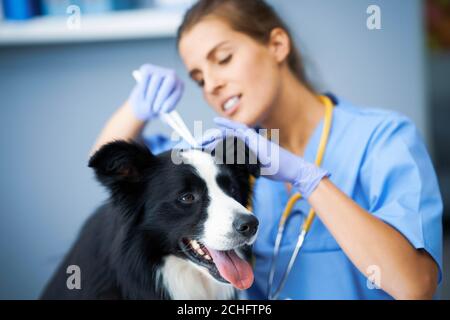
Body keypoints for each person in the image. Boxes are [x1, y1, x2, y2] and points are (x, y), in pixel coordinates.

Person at [90, 0, 443, 300]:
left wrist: (308, 180)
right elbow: (116, 174)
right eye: (198, 78)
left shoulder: (380, 138)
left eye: (224, 58)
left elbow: (416, 285)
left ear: (277, 45)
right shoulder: (222, 159)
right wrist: (135, 110)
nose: (212, 84)